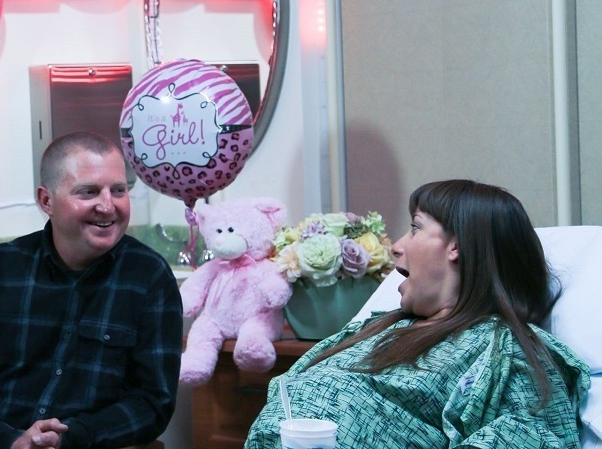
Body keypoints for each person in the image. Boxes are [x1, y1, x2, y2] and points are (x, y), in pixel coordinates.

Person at [246, 179, 590, 449]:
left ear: (457, 245)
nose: (397, 246)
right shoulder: (380, 327)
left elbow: (530, 436)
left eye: (415, 227)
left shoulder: (504, 351)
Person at [0, 131, 183, 449]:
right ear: (46, 200)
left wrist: (69, 438)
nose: (108, 206)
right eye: (89, 192)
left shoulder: (149, 276)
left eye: (118, 190)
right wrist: (8, 441)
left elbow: (153, 402)